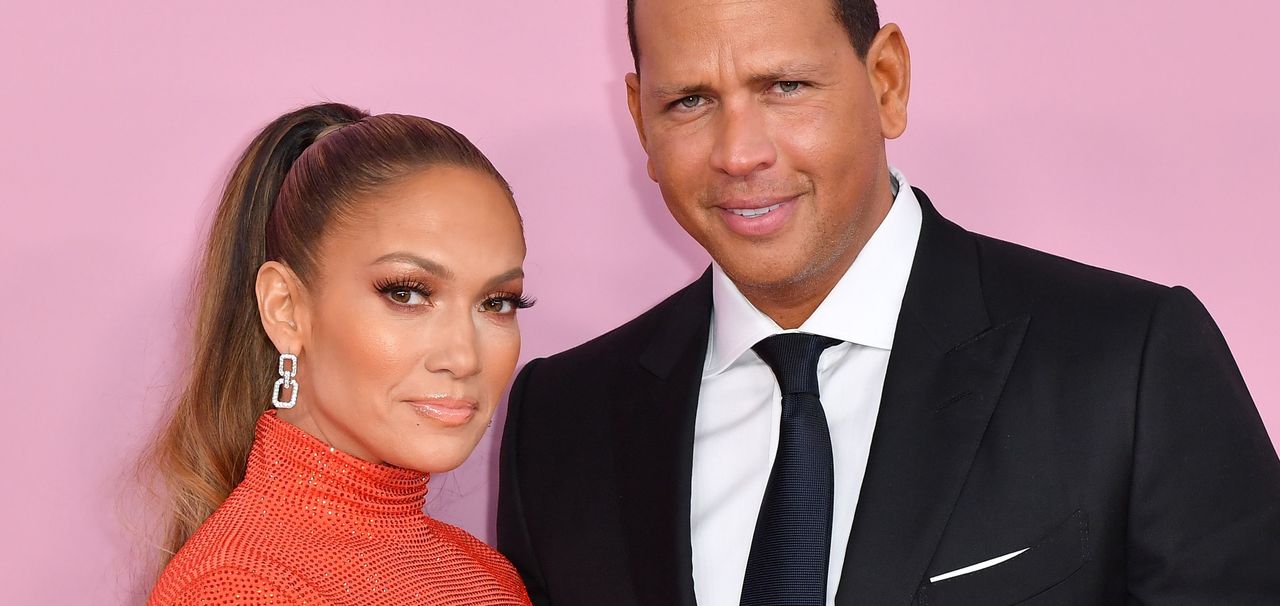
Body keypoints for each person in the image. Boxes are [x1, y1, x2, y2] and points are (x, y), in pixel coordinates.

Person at [496, 0, 1280, 604]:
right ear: (638, 118)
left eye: (785, 86)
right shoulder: (560, 421)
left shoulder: (1129, 362)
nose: (739, 153)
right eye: (689, 103)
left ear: (887, 83)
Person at [146, 103, 533, 605]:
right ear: (285, 309)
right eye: (406, 293)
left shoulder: (483, 573)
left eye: (497, 302)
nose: (464, 357)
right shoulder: (241, 586)